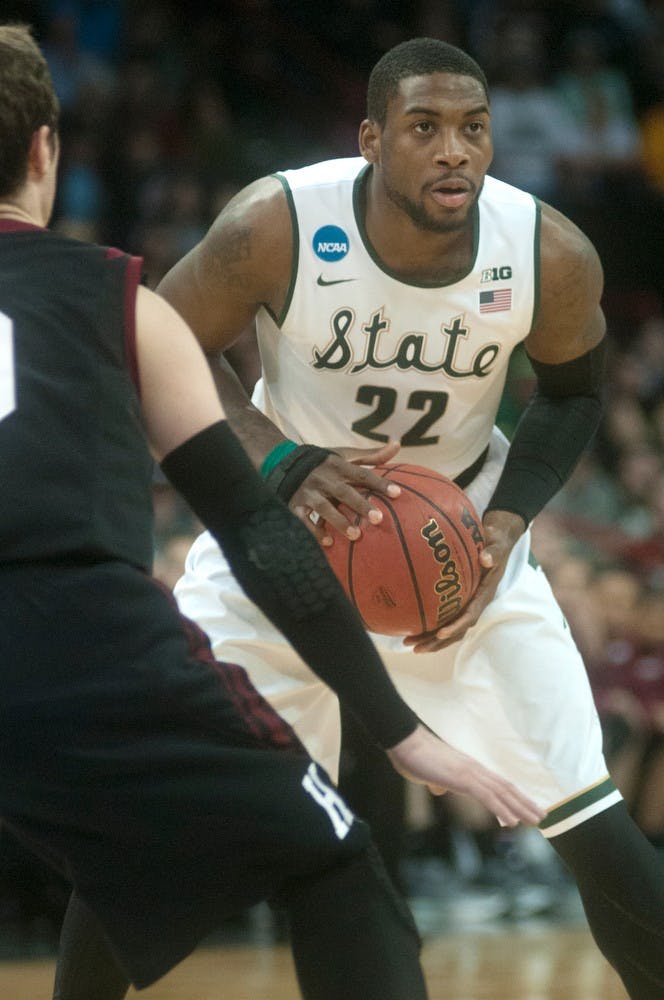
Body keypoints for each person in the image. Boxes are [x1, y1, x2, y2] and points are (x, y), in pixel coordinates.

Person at [56, 33, 664, 1000]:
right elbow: (155, 343)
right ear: (373, 139)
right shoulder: (279, 224)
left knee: (591, 815)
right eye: (426, 128)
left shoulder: (548, 253)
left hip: (455, 550)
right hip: (284, 543)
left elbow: (575, 391)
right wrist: (279, 458)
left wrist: (507, 520)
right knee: (147, 823)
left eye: (474, 128)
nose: (456, 151)